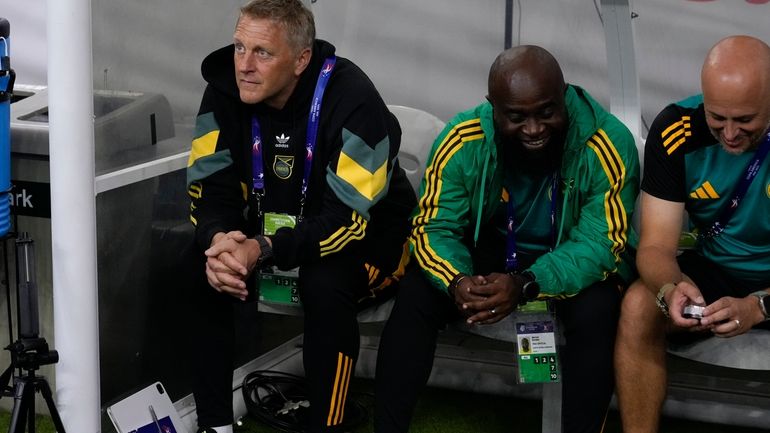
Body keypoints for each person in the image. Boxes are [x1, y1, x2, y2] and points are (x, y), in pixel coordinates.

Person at [374, 45, 640, 433]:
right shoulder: (462, 138)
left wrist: (527, 284)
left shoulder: (608, 142)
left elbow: (601, 244)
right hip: (493, 256)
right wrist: (458, 282)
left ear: (564, 96)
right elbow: (433, 228)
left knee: (597, 310)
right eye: (517, 117)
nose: (533, 129)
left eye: (547, 112)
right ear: (493, 108)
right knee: (418, 292)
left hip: (570, 262)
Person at [184, 1, 416, 432]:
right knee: (200, 267)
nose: (244, 66)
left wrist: (264, 247)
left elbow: (347, 220)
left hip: (373, 240)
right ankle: (215, 425)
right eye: (239, 47)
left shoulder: (353, 97)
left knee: (324, 281)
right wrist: (220, 241)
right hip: (277, 236)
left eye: (262, 53)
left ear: (301, 60)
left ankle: (330, 424)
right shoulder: (223, 87)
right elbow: (208, 182)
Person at [614, 35, 770, 433]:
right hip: (719, 268)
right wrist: (671, 289)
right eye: (717, 118)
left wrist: (758, 307)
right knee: (639, 305)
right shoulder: (676, 128)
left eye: (745, 121)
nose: (730, 133)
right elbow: (654, 246)